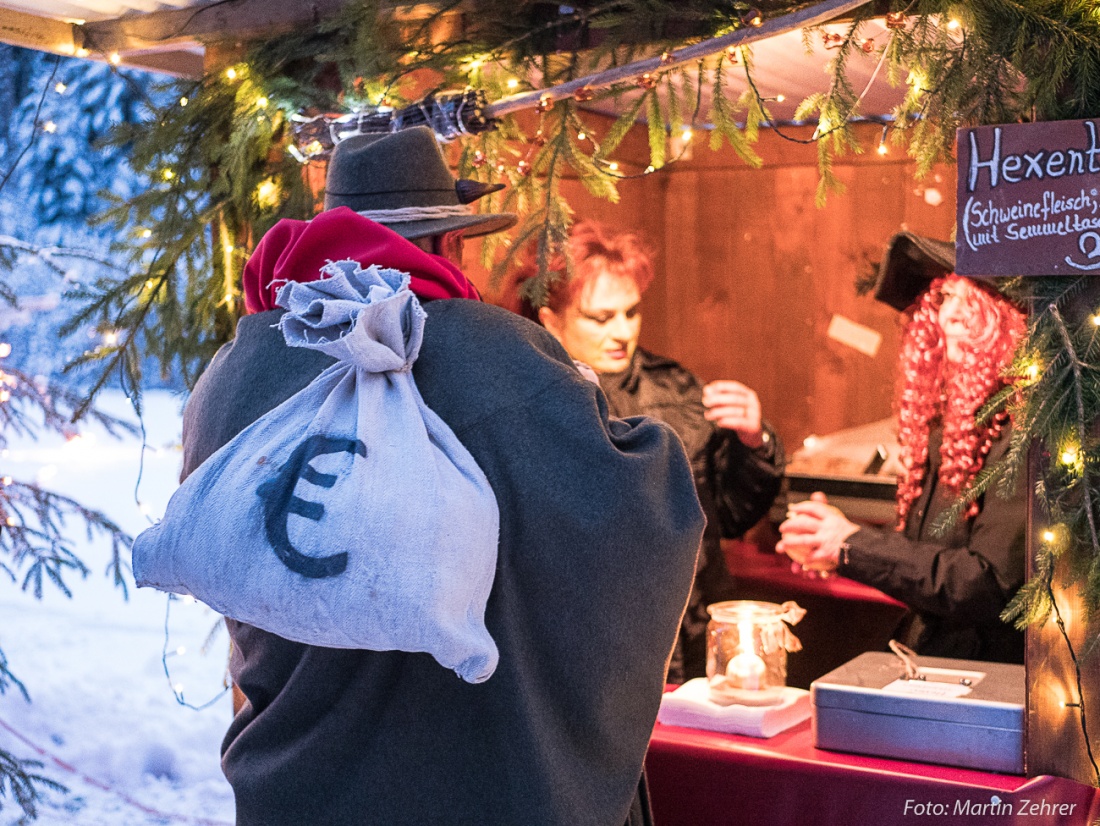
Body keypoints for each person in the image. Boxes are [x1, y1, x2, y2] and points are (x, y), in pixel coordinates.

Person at [183, 127, 705, 825]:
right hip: (470, 784)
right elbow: (633, 517)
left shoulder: (239, 368)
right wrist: (657, 446)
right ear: (450, 242)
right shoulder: (497, 355)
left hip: (295, 782)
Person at [509, 222, 784, 682]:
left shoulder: (673, 385)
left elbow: (727, 517)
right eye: (600, 317)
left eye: (631, 312)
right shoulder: (523, 398)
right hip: (582, 642)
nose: (622, 332)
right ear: (548, 318)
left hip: (692, 630)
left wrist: (754, 443)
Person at [777, 232, 1027, 663]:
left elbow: (987, 584)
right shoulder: (947, 428)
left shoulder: (1025, 427)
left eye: (963, 300)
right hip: (936, 667)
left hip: (995, 687)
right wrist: (835, 544)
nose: (944, 315)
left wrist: (852, 545)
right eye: (943, 299)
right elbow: (927, 562)